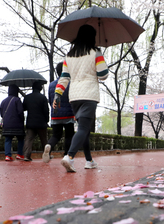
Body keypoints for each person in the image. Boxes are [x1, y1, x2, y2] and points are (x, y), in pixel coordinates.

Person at [54, 25, 108, 173]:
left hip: (74, 97)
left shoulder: (69, 56)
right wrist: (100, 55)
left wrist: (57, 94)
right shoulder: (95, 52)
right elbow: (103, 74)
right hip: (89, 95)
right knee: (84, 128)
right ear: (91, 37)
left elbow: (64, 78)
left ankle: (89, 160)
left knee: (83, 130)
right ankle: (69, 157)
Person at [43, 62, 74, 163]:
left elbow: (50, 99)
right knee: (69, 136)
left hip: (56, 114)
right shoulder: (70, 83)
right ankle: (67, 156)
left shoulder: (51, 85)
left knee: (56, 135)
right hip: (68, 114)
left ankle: (49, 146)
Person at [22, 80, 50, 161]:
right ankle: (47, 155)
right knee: (44, 140)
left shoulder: (27, 97)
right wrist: (46, 120)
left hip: (31, 122)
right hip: (41, 123)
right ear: (40, 88)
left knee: (29, 139)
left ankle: (26, 155)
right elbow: (46, 110)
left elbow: (24, 108)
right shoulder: (43, 98)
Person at [0, 84, 25, 161]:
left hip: (7, 124)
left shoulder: (3, 101)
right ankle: (19, 154)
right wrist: (22, 119)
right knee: (20, 139)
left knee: (8, 139)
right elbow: (20, 112)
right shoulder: (17, 100)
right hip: (17, 124)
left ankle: (7, 155)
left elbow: (1, 113)